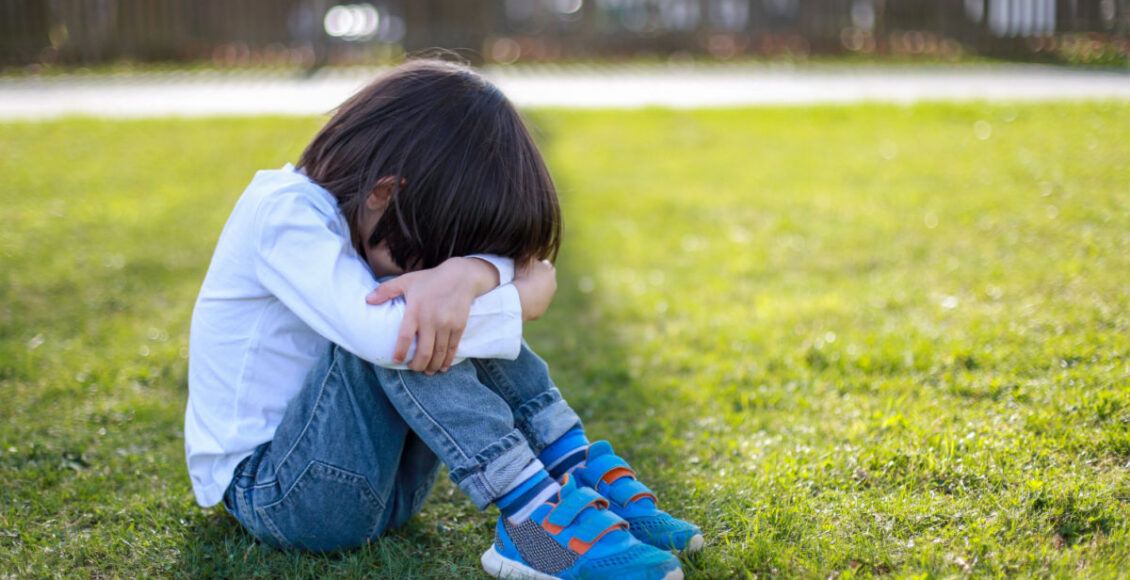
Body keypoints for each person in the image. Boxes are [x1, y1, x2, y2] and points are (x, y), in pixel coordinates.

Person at [185, 59, 701, 579]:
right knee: (411, 326)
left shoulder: (366, 217)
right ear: (384, 193)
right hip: (280, 493)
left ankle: (574, 471)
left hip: (385, 487)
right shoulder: (281, 214)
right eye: (429, 259)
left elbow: (500, 271)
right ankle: (531, 518)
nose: (435, 273)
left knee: (433, 314)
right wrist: (517, 299)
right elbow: (389, 339)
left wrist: (471, 273)